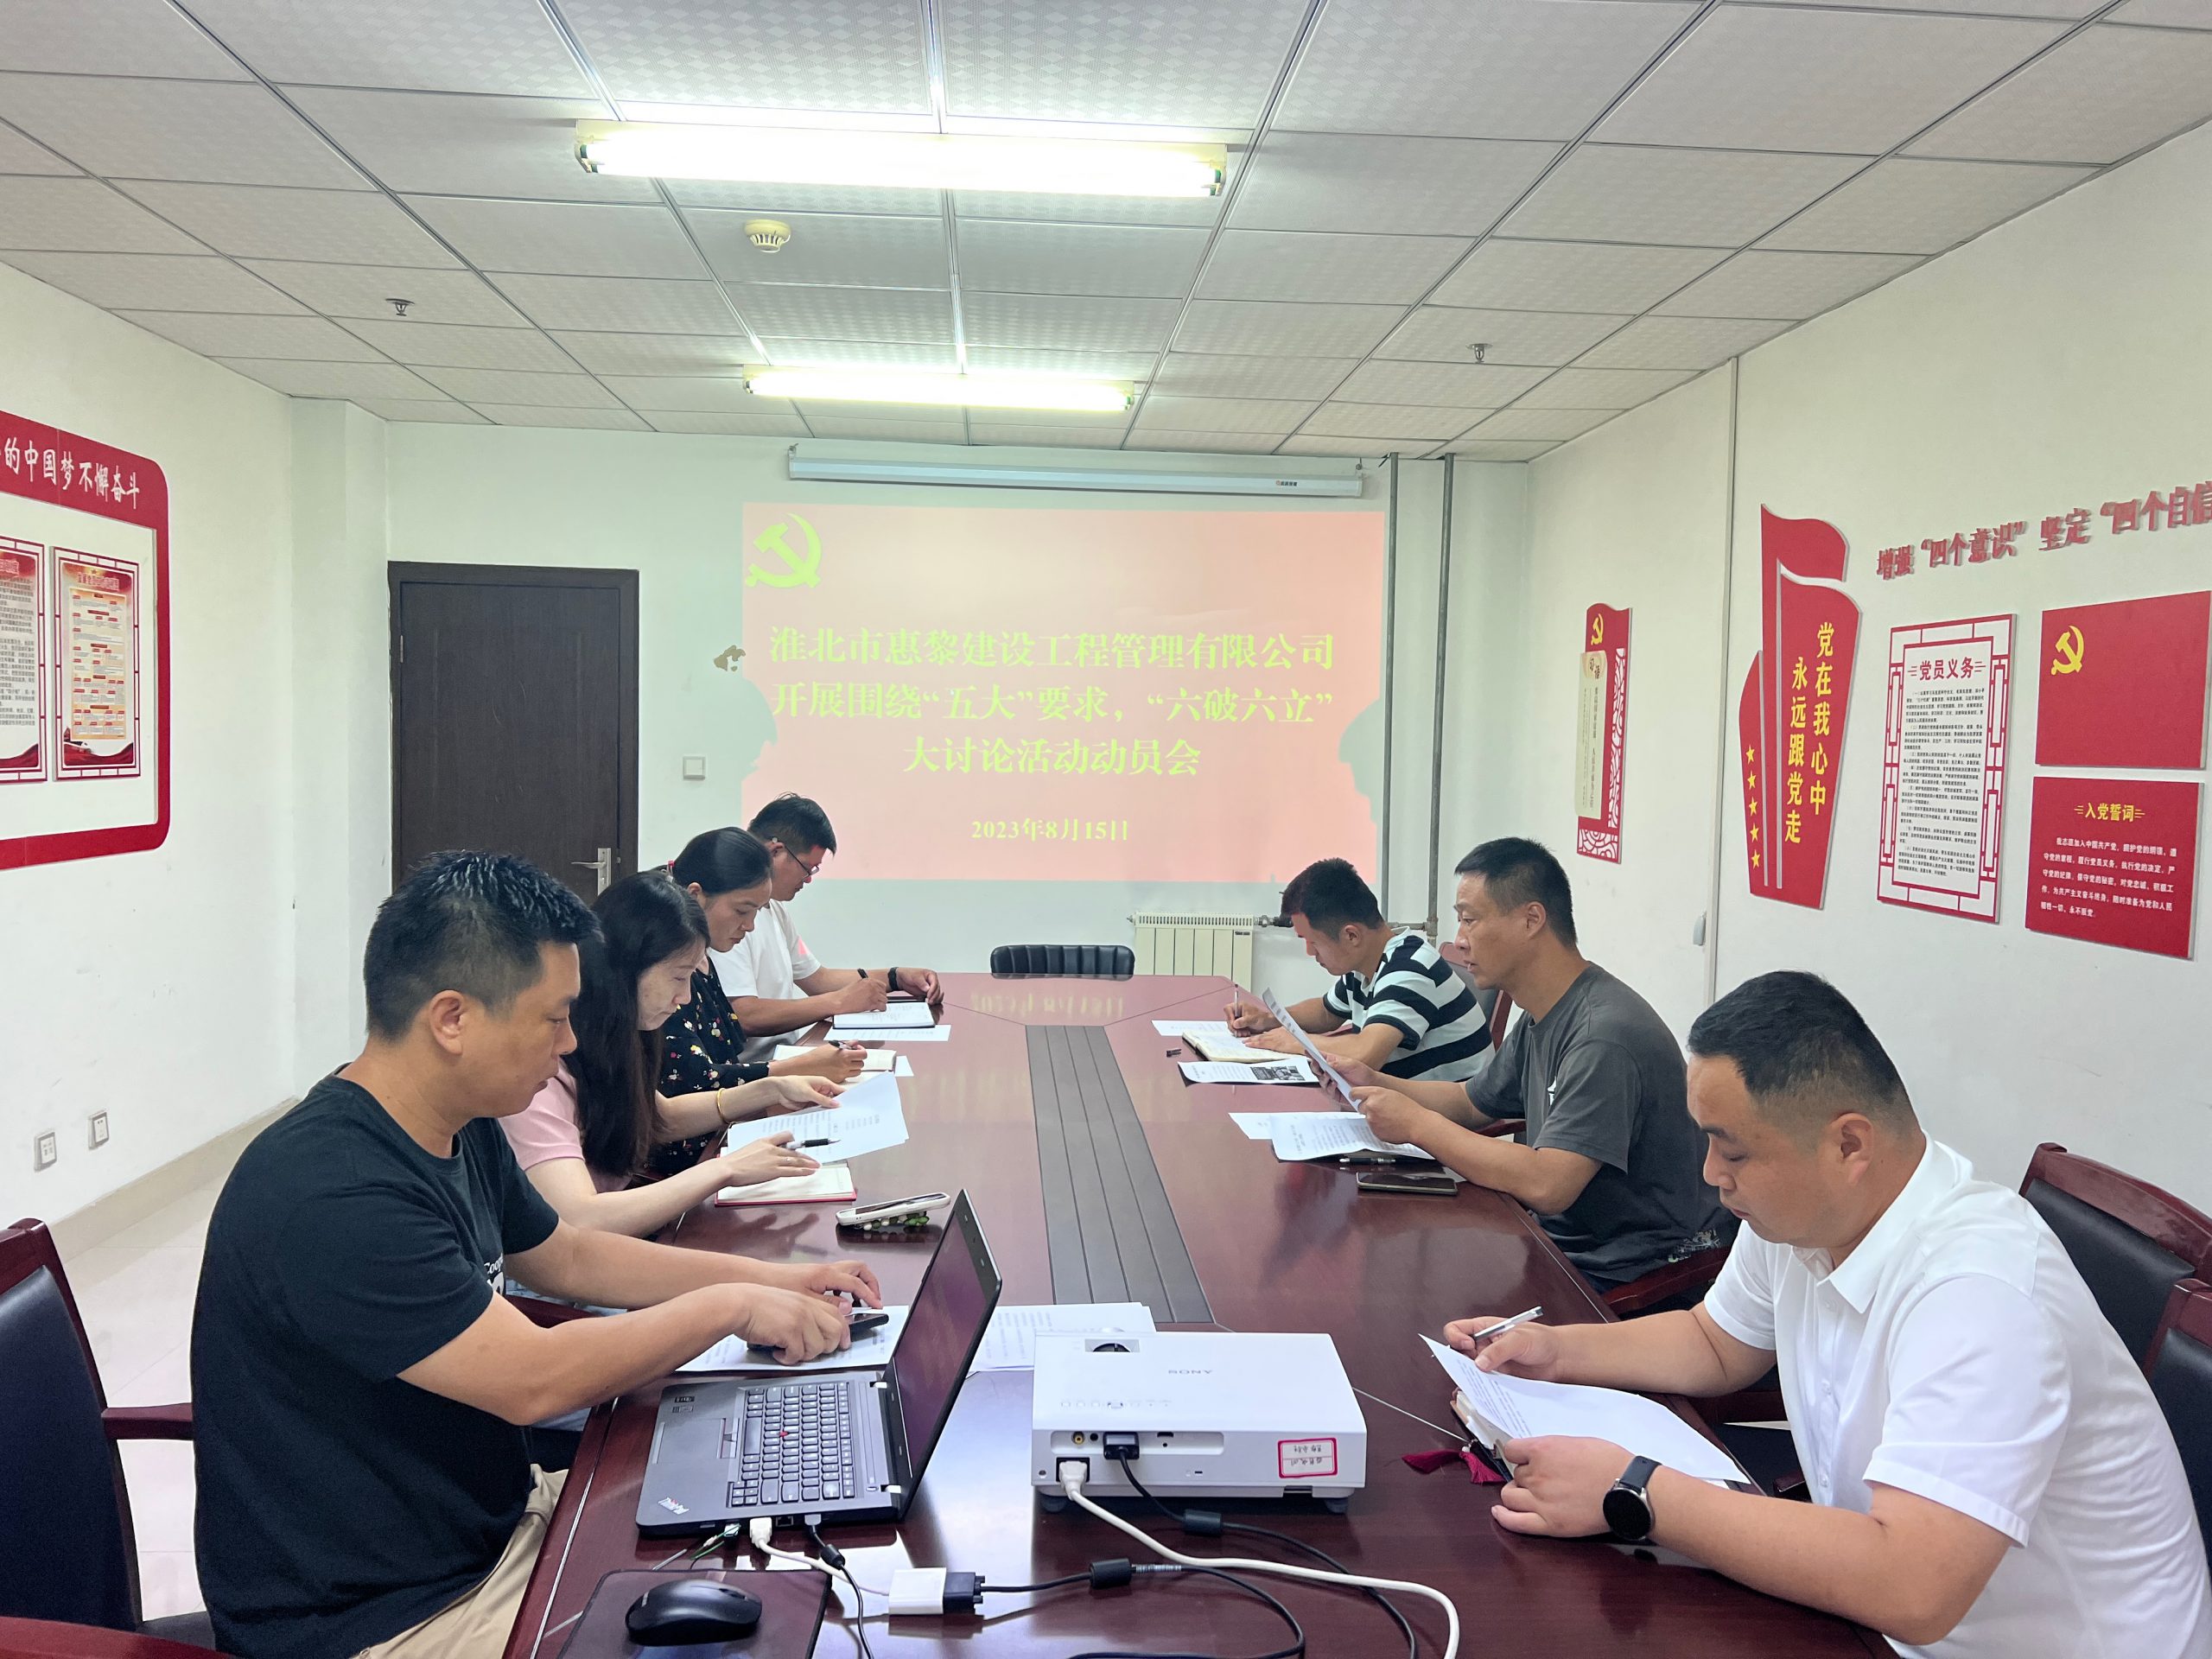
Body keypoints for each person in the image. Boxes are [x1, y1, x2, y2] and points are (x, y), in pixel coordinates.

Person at [192, 851, 882, 1659]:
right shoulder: (334, 1192)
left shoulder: (459, 1124)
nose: (569, 1044)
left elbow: (571, 1256)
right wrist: (731, 1306)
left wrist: (779, 1278)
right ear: (453, 1019)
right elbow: (534, 1380)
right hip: (388, 1613)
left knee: (776, 1556)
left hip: (497, 1522)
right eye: (552, 1019)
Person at [1448, 971, 2212, 1658]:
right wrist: (1555, 1351)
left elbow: (1913, 1586)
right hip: (1881, 1620)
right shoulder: (1806, 1215)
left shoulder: (1981, 1292)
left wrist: (1636, 1489)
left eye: (1732, 1151)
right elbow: (1715, 1343)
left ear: (1848, 1143)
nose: (1711, 1175)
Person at [1343, 838, 1730, 1289]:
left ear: (1531, 920)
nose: (1459, 940)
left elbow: (1549, 1185)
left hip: (1633, 1265)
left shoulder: (1602, 1037)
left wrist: (1415, 1125)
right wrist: (1375, 1080)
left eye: (1470, 919)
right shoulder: (1543, 1011)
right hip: (1566, 1239)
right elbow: (1470, 1101)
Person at [503, 868, 841, 1237]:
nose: (685, 997)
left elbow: (659, 1116)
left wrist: (771, 1090)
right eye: (679, 977)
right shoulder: (542, 1071)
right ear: (624, 970)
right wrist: (724, 1169)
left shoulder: (614, 1035)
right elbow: (581, 1220)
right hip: (592, 1250)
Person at [649, 825, 866, 1179]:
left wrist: (781, 1084)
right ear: (696, 896)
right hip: (685, 1162)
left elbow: (727, 1049)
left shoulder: (702, 959)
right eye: (742, 911)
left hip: (722, 1137)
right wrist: (790, 1072)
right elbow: (693, 1087)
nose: (750, 926)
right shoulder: (661, 969)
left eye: (757, 912)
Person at [714, 793, 944, 1060]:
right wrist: (838, 1002)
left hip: (786, 1059)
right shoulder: (727, 915)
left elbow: (818, 979)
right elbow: (743, 1015)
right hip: (753, 1070)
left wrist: (895, 977)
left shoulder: (774, 908)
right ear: (776, 851)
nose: (808, 880)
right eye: (807, 868)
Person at [1224, 856, 1491, 1084]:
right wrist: (1268, 1019)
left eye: (1313, 942)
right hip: (1398, 1102)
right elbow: (1327, 1012)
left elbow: (1366, 1053)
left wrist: (1296, 1042)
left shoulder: (1410, 967)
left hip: (1446, 1116)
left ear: (1351, 935)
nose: (1310, 952)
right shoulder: (1367, 962)